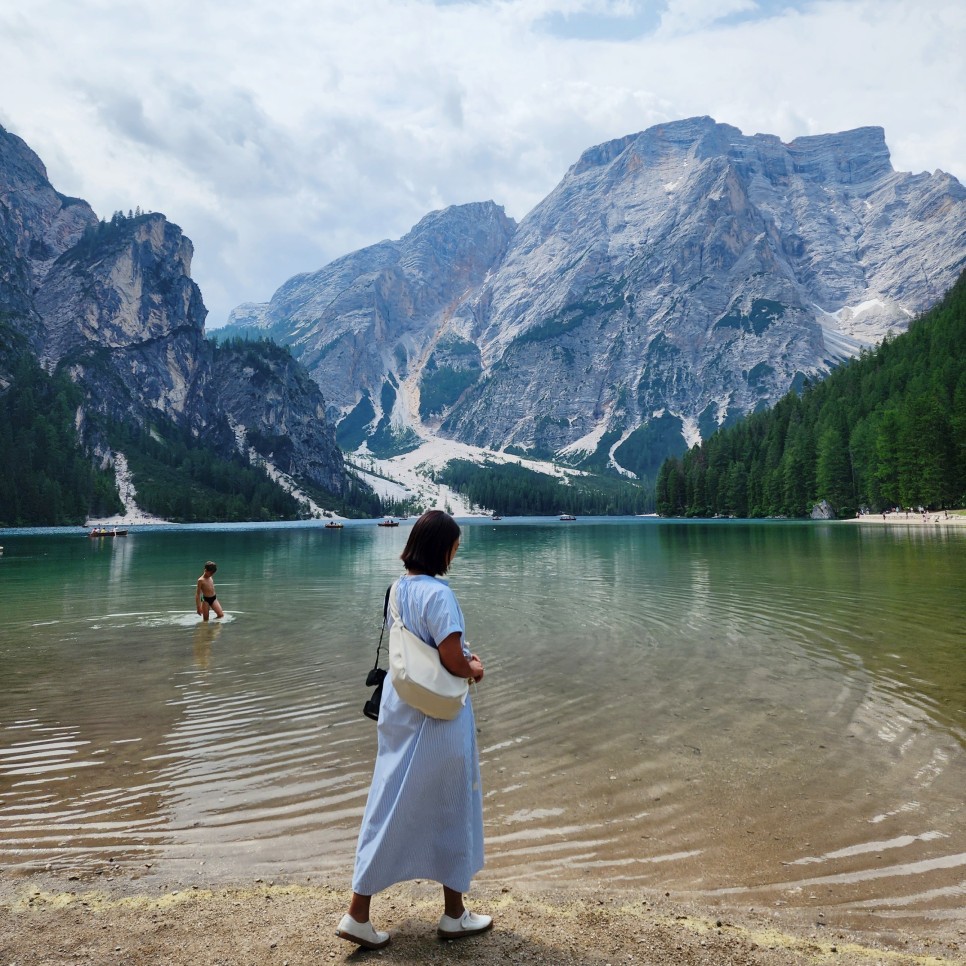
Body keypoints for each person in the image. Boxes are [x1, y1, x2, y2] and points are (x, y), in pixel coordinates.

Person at [337, 510, 491, 950]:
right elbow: (452, 660)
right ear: (442, 548)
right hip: (438, 714)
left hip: (399, 708)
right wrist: (475, 668)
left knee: (388, 801)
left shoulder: (398, 589)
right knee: (451, 801)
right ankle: (454, 914)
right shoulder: (440, 595)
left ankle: (358, 913)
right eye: (455, 547)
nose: (455, 555)